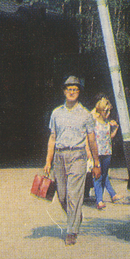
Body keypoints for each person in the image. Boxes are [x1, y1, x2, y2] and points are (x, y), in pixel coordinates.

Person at [43, 76, 98, 246]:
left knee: (74, 195)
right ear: (64, 91)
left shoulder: (86, 115)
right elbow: (52, 138)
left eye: (75, 89)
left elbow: (92, 139)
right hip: (59, 157)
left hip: (78, 156)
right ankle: (75, 216)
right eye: (69, 89)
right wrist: (48, 161)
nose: (72, 92)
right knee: (62, 195)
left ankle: (71, 231)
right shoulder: (56, 113)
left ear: (79, 92)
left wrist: (96, 162)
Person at [91, 96, 121, 210]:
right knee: (97, 176)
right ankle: (99, 200)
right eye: (105, 111)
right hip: (97, 153)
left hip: (107, 152)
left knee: (103, 176)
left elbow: (109, 137)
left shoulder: (107, 123)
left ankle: (100, 198)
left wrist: (115, 129)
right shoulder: (94, 121)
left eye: (109, 111)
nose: (108, 113)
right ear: (100, 111)